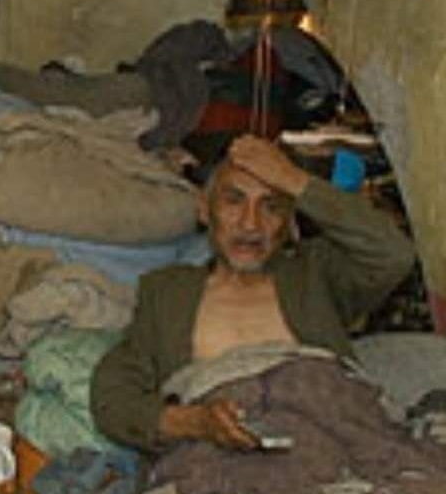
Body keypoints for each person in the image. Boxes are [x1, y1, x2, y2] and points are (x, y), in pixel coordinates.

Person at [90, 133, 415, 453]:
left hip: (331, 446)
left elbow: (394, 254)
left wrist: (297, 182)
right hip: (219, 464)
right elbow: (113, 399)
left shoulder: (316, 274)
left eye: (271, 207)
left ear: (289, 223)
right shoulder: (168, 293)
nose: (251, 224)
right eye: (234, 201)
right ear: (204, 209)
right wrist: (196, 423)